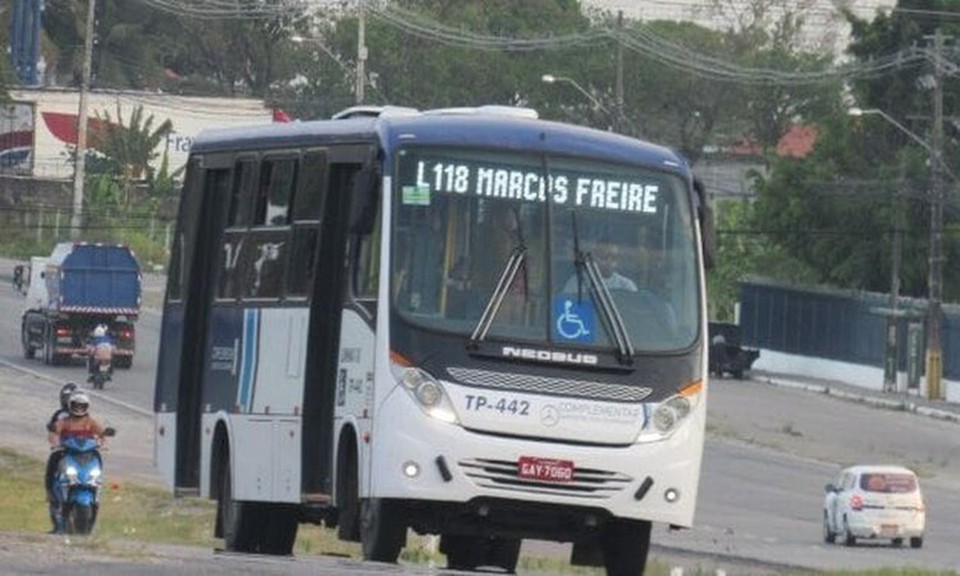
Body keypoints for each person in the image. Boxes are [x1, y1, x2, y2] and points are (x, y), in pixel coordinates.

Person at [43, 383, 78, 533]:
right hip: (63, 453)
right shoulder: (59, 415)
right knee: (50, 480)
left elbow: (95, 431)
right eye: (68, 398)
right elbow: (52, 434)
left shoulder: (85, 416)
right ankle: (57, 521)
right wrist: (57, 445)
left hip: (81, 454)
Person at [562, 240, 637, 294]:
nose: (609, 262)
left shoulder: (626, 286)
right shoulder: (577, 283)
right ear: (594, 258)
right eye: (604, 257)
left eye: (614, 258)